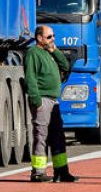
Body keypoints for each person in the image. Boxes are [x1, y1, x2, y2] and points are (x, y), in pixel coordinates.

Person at [25, 24, 75, 183]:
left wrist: (55, 51)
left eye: (53, 36)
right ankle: (38, 172)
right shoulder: (33, 53)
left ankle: (61, 171)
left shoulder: (50, 52)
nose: (53, 39)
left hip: (54, 100)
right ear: (39, 38)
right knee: (41, 135)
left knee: (58, 136)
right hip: (43, 99)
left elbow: (65, 66)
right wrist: (36, 100)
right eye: (49, 37)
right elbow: (30, 78)